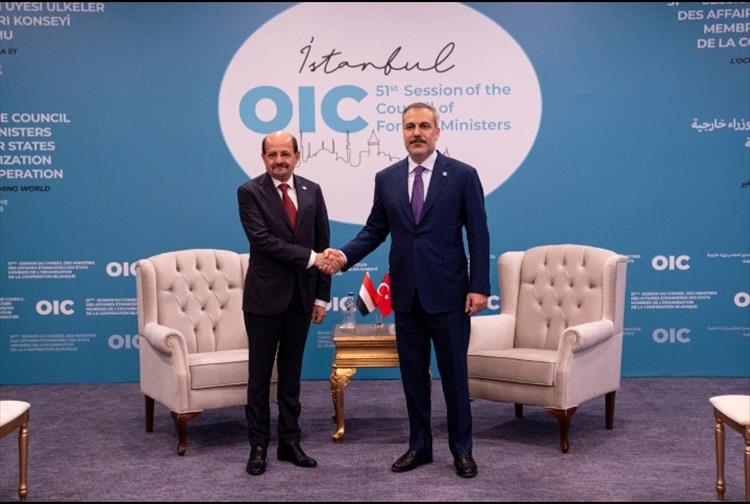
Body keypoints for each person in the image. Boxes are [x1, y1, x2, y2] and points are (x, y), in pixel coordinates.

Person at [323, 102, 490, 478]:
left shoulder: (462, 175)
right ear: (402, 132)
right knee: (413, 377)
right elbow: (374, 230)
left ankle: (462, 450)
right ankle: (419, 446)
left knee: (454, 377)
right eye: (410, 126)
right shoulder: (387, 178)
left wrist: (479, 286)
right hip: (406, 295)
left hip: (449, 294)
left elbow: (478, 235)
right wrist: (343, 256)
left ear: (437, 132)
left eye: (424, 126)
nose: (417, 132)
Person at [237, 131, 333, 476]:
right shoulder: (249, 192)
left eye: (285, 154)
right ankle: (258, 446)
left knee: (291, 376)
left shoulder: (312, 191)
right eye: (272, 154)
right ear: (264, 158)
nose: (279, 160)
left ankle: (290, 442)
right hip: (263, 299)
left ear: (297, 156)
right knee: (260, 378)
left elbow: (323, 243)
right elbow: (262, 241)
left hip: (301, 299)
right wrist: (311, 258)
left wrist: (321, 296)